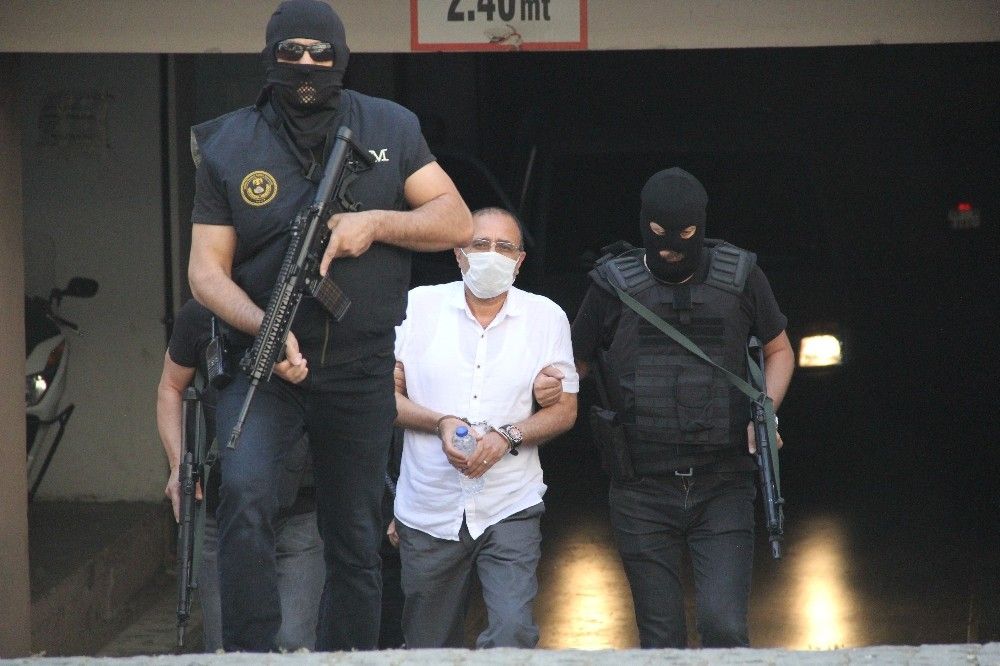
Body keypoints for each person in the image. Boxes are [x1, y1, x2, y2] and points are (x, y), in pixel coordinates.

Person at [186, 0, 473, 651]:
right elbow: (205, 273)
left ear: (343, 58)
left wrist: (377, 223)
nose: (307, 66)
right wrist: (264, 327)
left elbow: (455, 219)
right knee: (245, 500)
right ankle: (251, 654)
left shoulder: (389, 125)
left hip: (359, 368)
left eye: (322, 54)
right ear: (269, 57)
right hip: (264, 366)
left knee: (355, 540)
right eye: (292, 53)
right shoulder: (229, 144)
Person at [571, 167, 794, 648]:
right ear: (643, 224)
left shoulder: (741, 277)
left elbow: (779, 350)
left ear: (702, 225)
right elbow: (573, 364)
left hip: (723, 484)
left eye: (685, 234)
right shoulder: (611, 285)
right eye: (657, 233)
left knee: (725, 628)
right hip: (641, 489)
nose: (670, 247)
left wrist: (765, 412)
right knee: (661, 638)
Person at [390, 207, 578, 648]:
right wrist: (440, 422)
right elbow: (381, 397)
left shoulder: (546, 317)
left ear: (519, 261)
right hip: (429, 509)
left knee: (513, 632)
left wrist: (508, 436)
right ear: (458, 253)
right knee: (428, 647)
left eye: (504, 247)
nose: (491, 255)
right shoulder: (416, 307)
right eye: (480, 244)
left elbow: (565, 410)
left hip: (509, 503)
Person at [155, 299, 324, 651]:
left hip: (299, 510)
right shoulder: (201, 312)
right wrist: (177, 466)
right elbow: (171, 387)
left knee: (295, 644)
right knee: (227, 646)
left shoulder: (308, 306)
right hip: (221, 514)